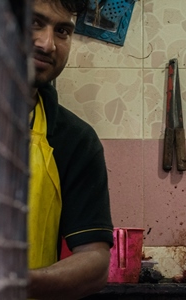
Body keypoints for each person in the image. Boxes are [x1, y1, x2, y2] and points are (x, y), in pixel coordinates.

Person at [27, 0, 113, 299]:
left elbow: (95, 261)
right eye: (34, 23)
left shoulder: (74, 140)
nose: (47, 44)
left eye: (62, 30)